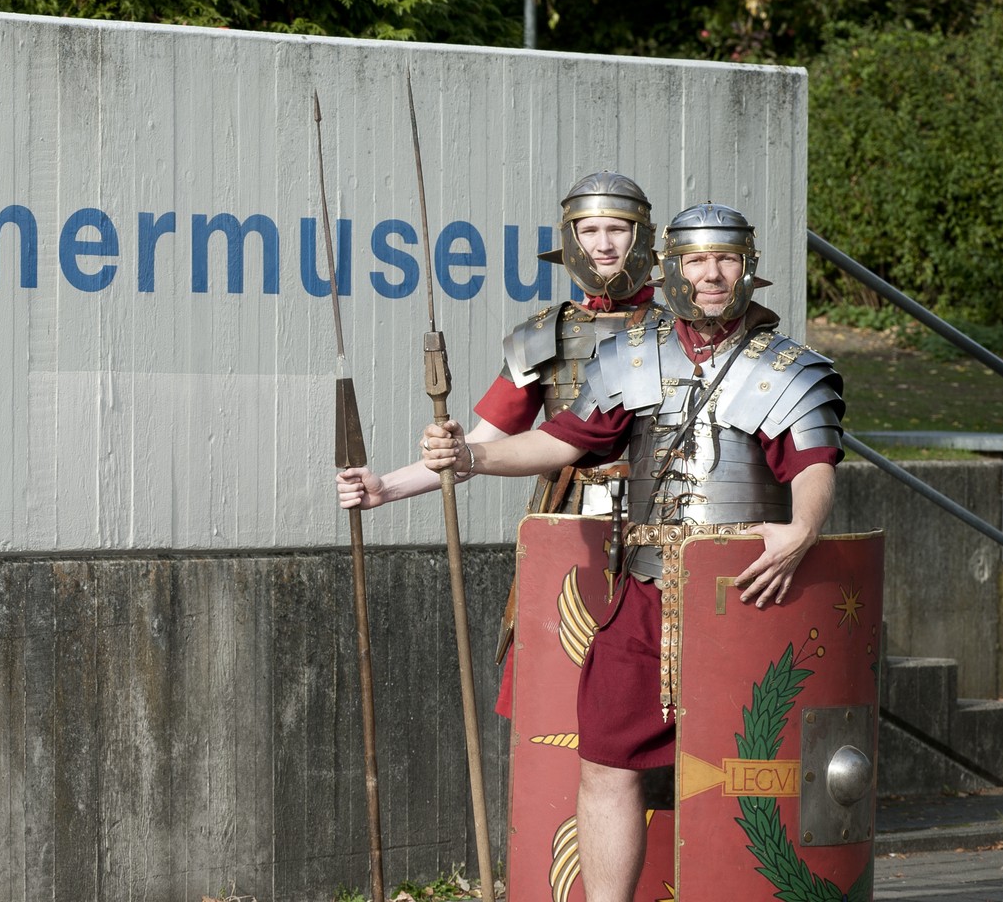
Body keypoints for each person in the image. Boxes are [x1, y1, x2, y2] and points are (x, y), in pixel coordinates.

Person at [419, 202, 843, 902]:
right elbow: (565, 440)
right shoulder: (631, 357)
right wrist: (472, 454)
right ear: (672, 268)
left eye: (726, 259)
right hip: (645, 594)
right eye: (697, 260)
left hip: (748, 598)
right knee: (607, 763)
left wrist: (802, 530)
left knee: (754, 768)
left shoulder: (788, 368)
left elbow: (814, 463)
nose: (712, 274)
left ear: (749, 269)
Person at [335, 171, 664, 516]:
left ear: (639, 237)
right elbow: (479, 444)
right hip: (564, 523)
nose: (604, 245)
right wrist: (386, 488)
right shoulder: (544, 333)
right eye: (589, 231)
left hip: (659, 521)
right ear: (572, 241)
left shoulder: (675, 333)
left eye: (617, 229)